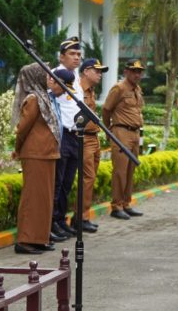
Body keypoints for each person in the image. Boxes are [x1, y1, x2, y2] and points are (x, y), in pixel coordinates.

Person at [11, 64, 72, 254]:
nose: (48, 78)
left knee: (44, 199)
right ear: (34, 76)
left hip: (47, 153)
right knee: (33, 198)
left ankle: (38, 238)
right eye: (44, 74)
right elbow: (22, 129)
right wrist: (17, 149)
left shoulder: (43, 96)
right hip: (35, 154)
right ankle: (25, 240)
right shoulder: (33, 99)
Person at [102, 59, 146, 220]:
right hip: (121, 132)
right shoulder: (119, 88)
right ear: (126, 71)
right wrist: (109, 132)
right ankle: (116, 206)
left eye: (139, 71)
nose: (137, 74)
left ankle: (126, 203)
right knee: (120, 171)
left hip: (134, 134)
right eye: (133, 71)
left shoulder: (137, 89)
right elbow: (106, 110)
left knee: (130, 170)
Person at [51, 37, 83, 239]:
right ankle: (52, 222)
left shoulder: (76, 77)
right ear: (62, 56)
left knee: (68, 182)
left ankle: (61, 219)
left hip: (75, 136)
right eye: (72, 54)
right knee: (58, 181)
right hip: (62, 135)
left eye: (79, 54)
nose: (76, 58)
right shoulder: (55, 75)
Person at [72, 58, 108, 233]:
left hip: (94, 138)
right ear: (86, 71)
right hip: (83, 138)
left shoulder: (91, 91)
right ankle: (80, 218)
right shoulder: (77, 89)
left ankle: (83, 216)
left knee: (90, 179)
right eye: (97, 71)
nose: (100, 74)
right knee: (87, 179)